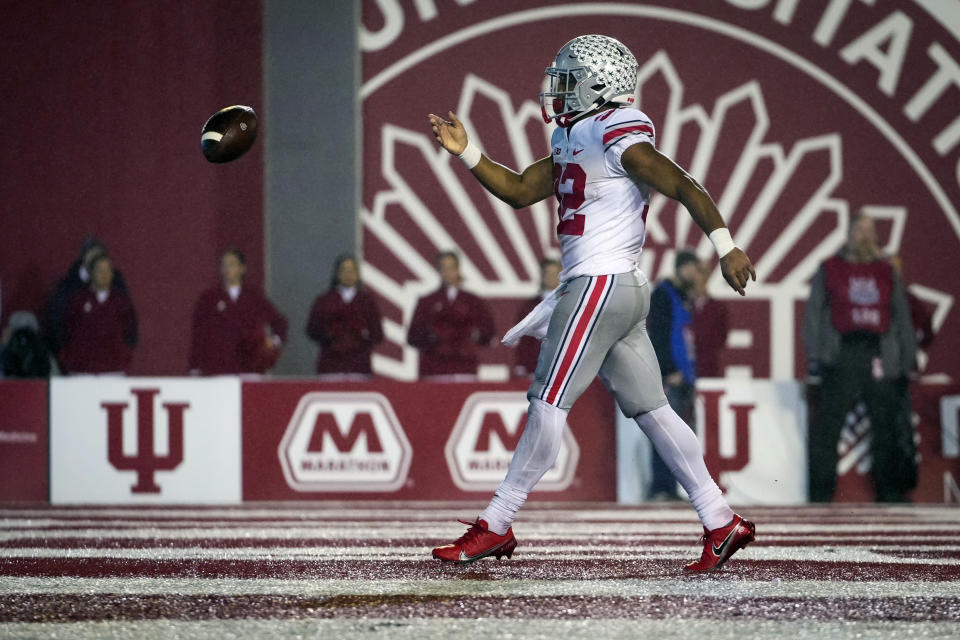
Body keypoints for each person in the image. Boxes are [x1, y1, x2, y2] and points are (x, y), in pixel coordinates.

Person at [427, 34, 756, 571]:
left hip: (598, 286)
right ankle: (720, 519)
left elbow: (683, 183)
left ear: (598, 86)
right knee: (653, 411)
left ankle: (497, 523)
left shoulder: (614, 128)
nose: (555, 90)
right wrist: (466, 152)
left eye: (566, 79)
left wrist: (726, 246)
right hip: (618, 290)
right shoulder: (573, 136)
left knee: (547, 402)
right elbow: (516, 189)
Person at [802, 211, 917, 503]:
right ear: (849, 234)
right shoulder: (829, 267)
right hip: (842, 351)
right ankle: (820, 495)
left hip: (878, 351)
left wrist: (907, 360)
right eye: (859, 231)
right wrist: (816, 356)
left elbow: (901, 316)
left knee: (886, 425)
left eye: (869, 231)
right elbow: (813, 315)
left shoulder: (886, 270)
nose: (864, 237)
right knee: (828, 427)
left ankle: (890, 493)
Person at [646, 249, 701, 500]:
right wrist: (669, 371)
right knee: (666, 432)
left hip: (684, 376)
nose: (697, 275)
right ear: (682, 268)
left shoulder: (682, 296)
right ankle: (661, 487)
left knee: (677, 434)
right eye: (694, 269)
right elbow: (657, 335)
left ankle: (669, 487)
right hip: (672, 376)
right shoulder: (663, 295)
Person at [188, 249, 288, 375]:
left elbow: (279, 322)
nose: (227, 269)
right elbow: (198, 333)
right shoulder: (208, 298)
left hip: (248, 368)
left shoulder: (253, 297)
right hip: (217, 368)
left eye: (231, 264)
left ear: (242, 268)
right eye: (223, 265)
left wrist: (274, 341)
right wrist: (195, 366)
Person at [42, 237, 134, 364]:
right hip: (78, 363)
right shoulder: (68, 284)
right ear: (83, 259)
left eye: (99, 258)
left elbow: (129, 319)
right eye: (92, 259)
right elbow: (59, 320)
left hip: (112, 361)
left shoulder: (116, 282)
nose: (95, 264)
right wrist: (65, 351)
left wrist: (124, 350)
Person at [406, 251, 495, 380]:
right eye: (443, 268)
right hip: (434, 371)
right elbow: (413, 336)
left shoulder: (473, 301)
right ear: (438, 271)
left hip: (465, 370)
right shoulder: (427, 302)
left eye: (452, 267)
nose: (448, 272)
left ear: (458, 269)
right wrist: (432, 338)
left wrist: (469, 339)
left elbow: (488, 333)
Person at [306, 254, 384, 378]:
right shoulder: (324, 300)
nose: (348, 274)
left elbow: (378, 333)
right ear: (337, 273)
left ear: (357, 274)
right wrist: (330, 336)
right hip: (330, 366)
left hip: (359, 367)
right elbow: (312, 330)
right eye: (344, 270)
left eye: (352, 270)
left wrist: (361, 338)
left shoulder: (367, 301)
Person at [59, 254, 138, 374]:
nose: (104, 274)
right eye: (100, 270)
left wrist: (124, 354)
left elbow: (131, 331)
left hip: (113, 370)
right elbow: (67, 329)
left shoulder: (121, 302)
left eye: (107, 270)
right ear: (91, 273)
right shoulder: (78, 301)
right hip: (81, 370)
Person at [513, 258, 562, 378]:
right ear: (542, 276)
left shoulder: (572, 303)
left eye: (554, 274)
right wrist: (521, 364)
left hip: (563, 367)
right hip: (535, 367)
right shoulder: (530, 306)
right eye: (547, 274)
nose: (551, 277)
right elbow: (523, 338)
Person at [1, 311, 55, 378]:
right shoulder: (5, 354)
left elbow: (53, 379)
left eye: (29, 335)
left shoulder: (42, 353)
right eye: (17, 336)